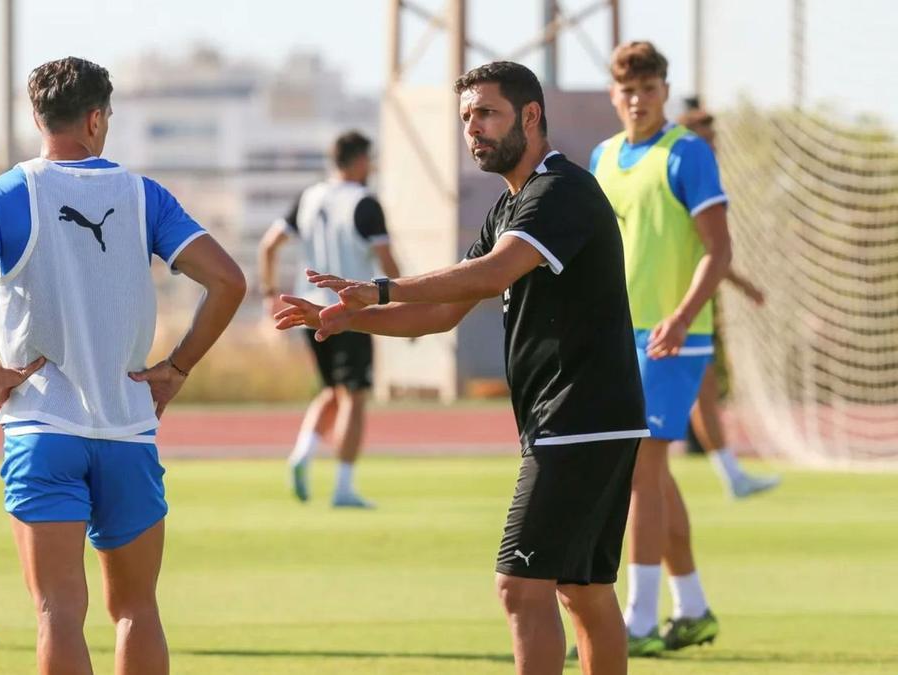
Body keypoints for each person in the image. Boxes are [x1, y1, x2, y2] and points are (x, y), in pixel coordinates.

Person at [276, 61, 645, 675]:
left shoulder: (560, 192)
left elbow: (494, 272)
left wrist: (383, 288)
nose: (473, 129)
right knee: (582, 589)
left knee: (520, 585)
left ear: (530, 116)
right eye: (466, 118)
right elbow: (444, 311)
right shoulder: (511, 207)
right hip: (590, 419)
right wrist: (344, 318)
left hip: (578, 416)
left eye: (487, 114)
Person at [0, 57, 245, 675]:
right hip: (128, 430)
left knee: (57, 610)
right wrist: (177, 368)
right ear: (98, 118)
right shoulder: (142, 196)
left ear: (36, 116)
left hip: (43, 429)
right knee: (136, 610)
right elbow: (229, 282)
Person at [590, 41, 727, 655]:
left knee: (641, 470)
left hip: (675, 339)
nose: (638, 100)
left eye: (648, 88)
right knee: (652, 474)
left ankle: (639, 621)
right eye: (628, 90)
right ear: (614, 95)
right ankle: (692, 607)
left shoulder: (688, 154)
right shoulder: (604, 156)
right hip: (620, 339)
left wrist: (680, 316)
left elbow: (718, 252)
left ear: (665, 90)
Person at [257, 131, 400, 508]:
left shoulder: (310, 196)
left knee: (332, 391)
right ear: (357, 161)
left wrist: (269, 293)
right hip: (350, 310)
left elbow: (269, 244)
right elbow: (387, 262)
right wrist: (403, 305)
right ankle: (344, 486)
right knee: (354, 394)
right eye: (368, 159)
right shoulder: (364, 202)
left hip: (310, 310)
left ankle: (302, 454)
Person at [677, 102, 782, 499]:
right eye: (706, 138)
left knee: (701, 395)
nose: (714, 145)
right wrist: (744, 287)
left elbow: (712, 251)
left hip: (690, 308)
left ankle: (730, 473)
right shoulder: (684, 177)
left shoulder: (698, 178)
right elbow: (713, 250)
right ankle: (730, 475)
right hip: (676, 309)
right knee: (694, 396)